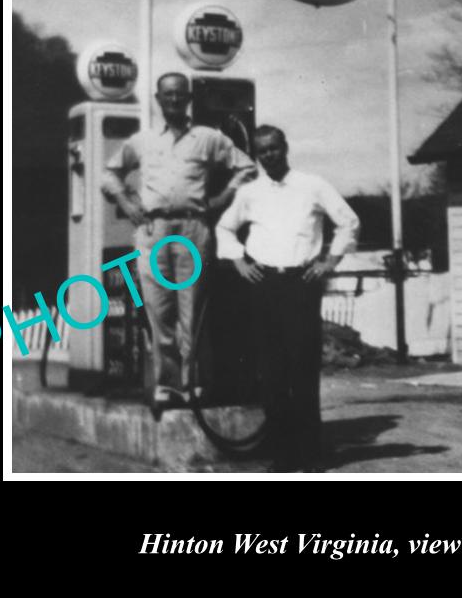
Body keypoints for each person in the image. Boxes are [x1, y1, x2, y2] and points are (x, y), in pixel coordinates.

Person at [101, 72, 256, 415]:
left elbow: (246, 167)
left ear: (189, 99)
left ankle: (194, 385)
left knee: (193, 308)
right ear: (158, 99)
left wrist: (224, 196)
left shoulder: (207, 138)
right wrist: (128, 204)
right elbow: (108, 175)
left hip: (193, 227)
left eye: (180, 95)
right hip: (153, 228)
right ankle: (167, 385)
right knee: (159, 309)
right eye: (167, 95)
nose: (174, 101)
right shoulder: (142, 140)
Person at [216, 124, 360, 471]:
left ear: (285, 148)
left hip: (301, 284)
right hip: (264, 284)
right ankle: (282, 456)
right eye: (263, 150)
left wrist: (329, 260)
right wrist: (239, 262)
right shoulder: (250, 192)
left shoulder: (312, 185)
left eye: (274, 148)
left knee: (302, 369)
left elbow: (349, 222)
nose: (269, 155)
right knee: (272, 371)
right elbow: (224, 227)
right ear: (257, 154)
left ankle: (310, 455)